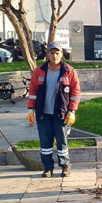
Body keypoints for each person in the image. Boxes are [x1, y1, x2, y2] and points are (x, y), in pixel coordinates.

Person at [27, 42, 81, 178]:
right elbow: (33, 91)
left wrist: (72, 111)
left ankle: (65, 166)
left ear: (62, 54)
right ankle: (47, 168)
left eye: (57, 53)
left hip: (61, 113)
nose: (54, 56)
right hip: (43, 113)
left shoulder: (69, 71)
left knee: (61, 140)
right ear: (48, 54)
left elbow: (75, 92)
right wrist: (30, 109)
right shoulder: (39, 71)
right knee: (45, 142)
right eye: (52, 53)